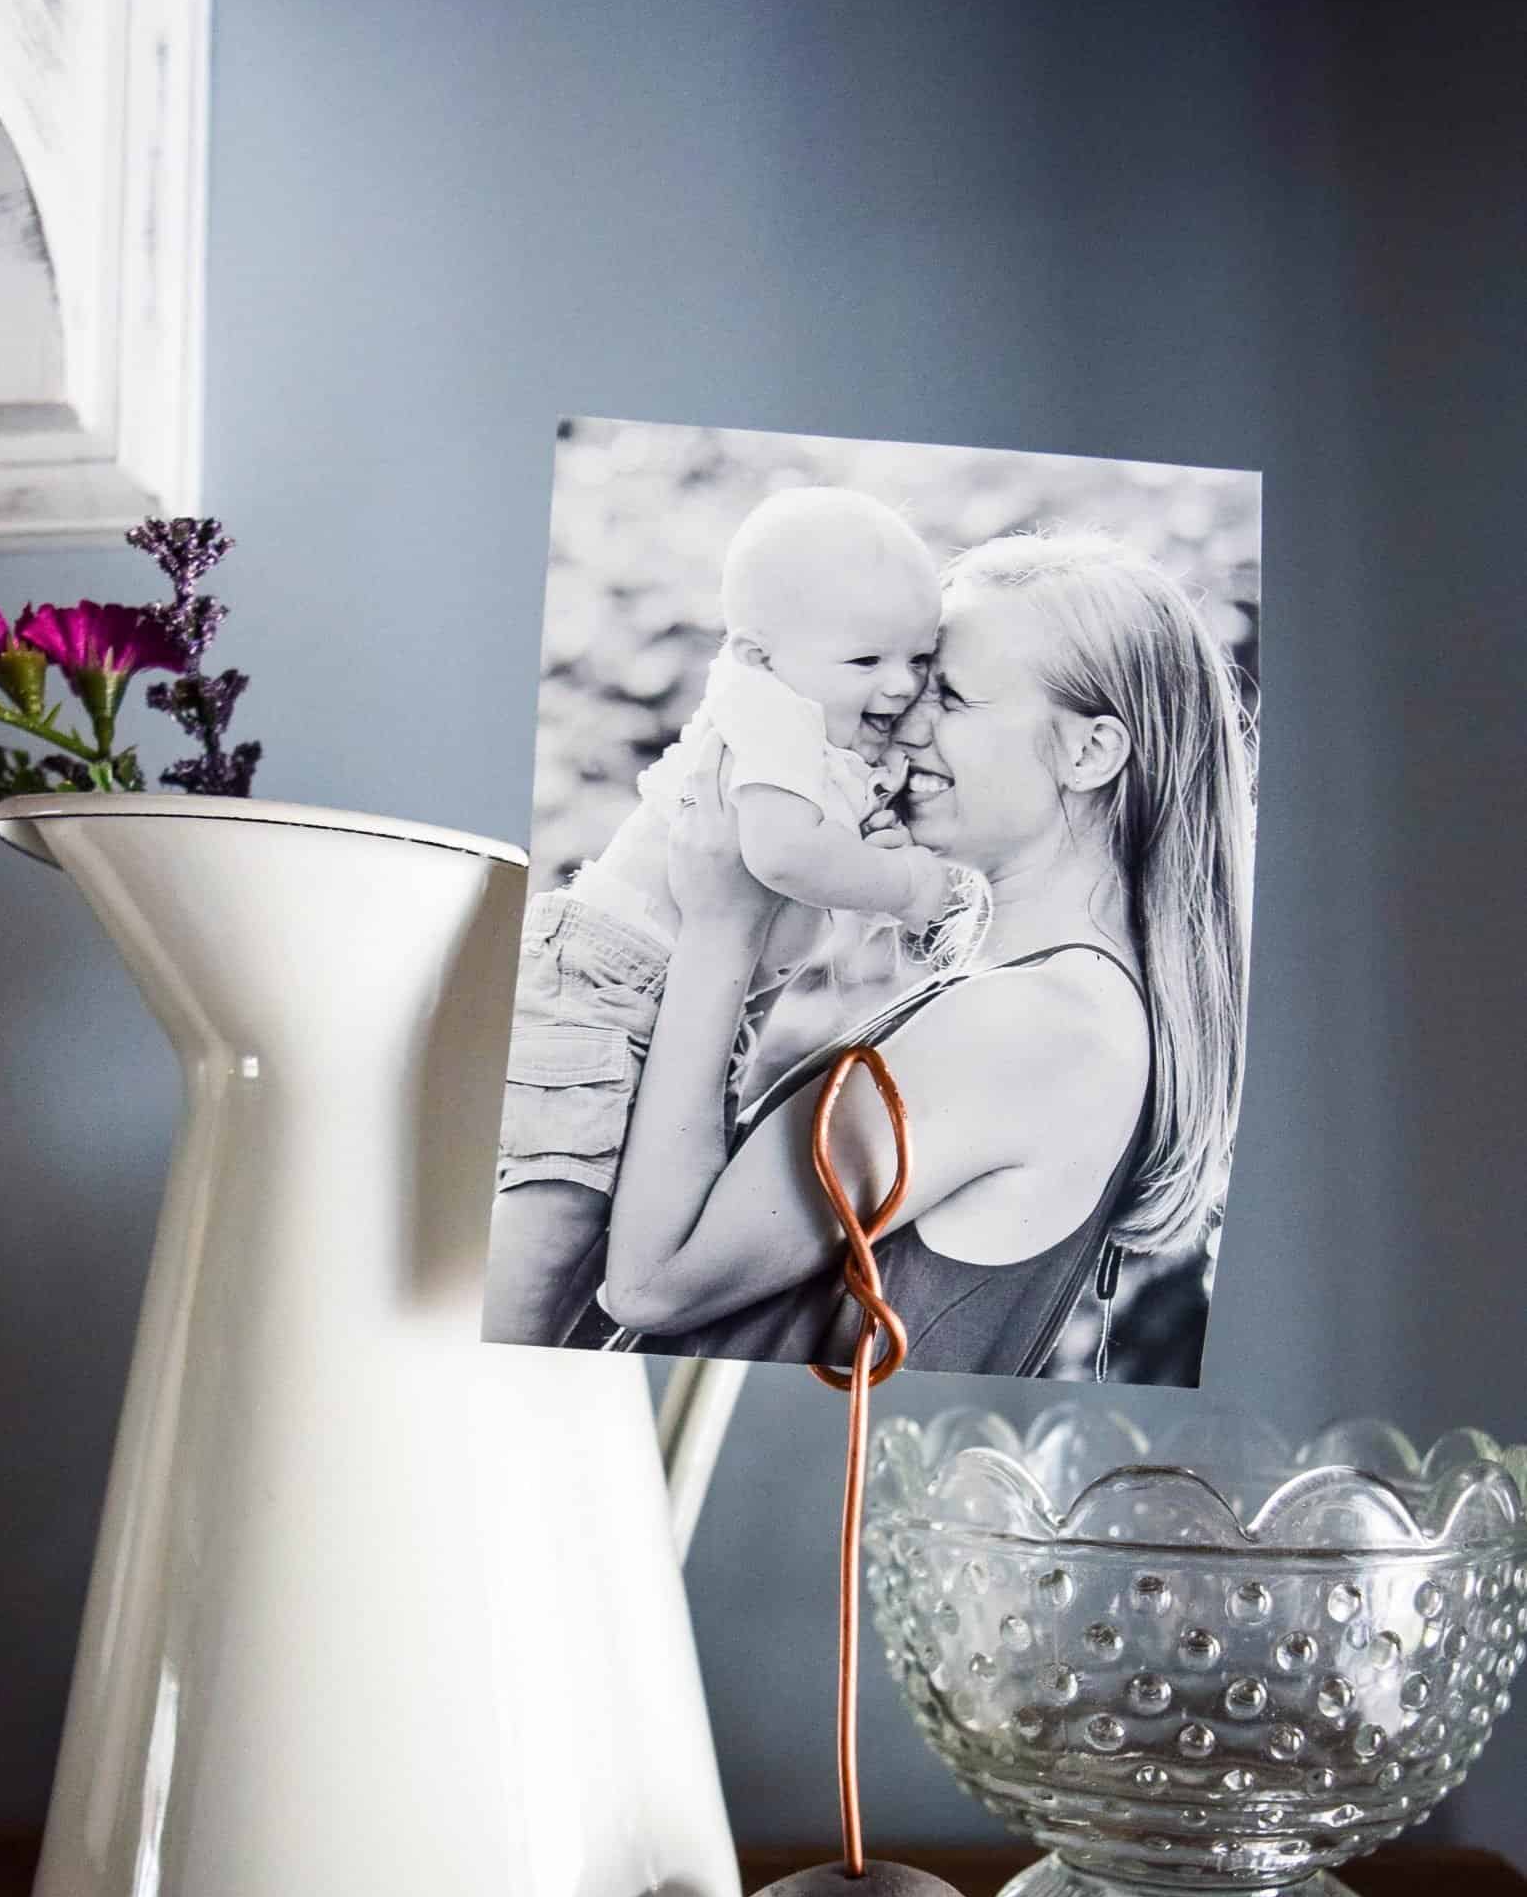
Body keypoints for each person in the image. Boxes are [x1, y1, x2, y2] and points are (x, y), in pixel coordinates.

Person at [597, 529, 1254, 1378]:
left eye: (950, 695)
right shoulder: (1039, 1001)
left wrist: (721, 927)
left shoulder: (1031, 1022)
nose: (900, 721)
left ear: (1089, 754)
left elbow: (653, 1285)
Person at [484, 487, 962, 1347]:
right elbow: (779, 854)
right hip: (601, 983)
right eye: (866, 664)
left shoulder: (821, 725)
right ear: (754, 652)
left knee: (591, 1255)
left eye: (918, 658)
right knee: (546, 1227)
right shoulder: (766, 711)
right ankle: (480, 1365)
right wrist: (911, 888)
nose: (898, 685)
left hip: (666, 994)